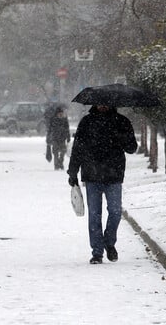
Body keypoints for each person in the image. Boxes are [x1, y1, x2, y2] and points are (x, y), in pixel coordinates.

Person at [67, 105, 137, 264]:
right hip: (92, 175)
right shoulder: (87, 122)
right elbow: (77, 148)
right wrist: (73, 172)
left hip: (114, 175)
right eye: (100, 103)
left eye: (106, 102)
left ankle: (109, 242)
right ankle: (97, 252)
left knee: (115, 211)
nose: (103, 106)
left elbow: (132, 148)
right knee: (94, 214)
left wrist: (120, 136)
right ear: (94, 104)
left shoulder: (122, 122)